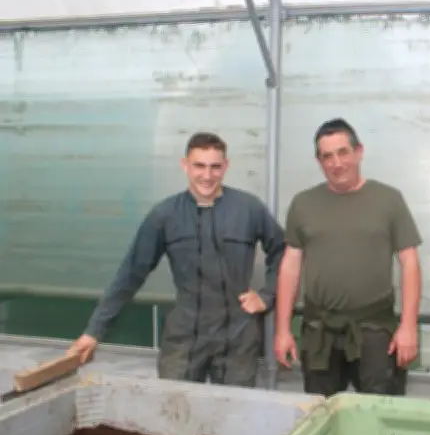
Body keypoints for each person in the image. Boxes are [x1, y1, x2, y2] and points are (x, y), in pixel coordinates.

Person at [67, 132, 286, 387]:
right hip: (184, 337)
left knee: (230, 415)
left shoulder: (248, 208)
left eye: (215, 167)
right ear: (185, 165)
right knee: (174, 411)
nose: (207, 175)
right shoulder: (165, 215)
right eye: (199, 166)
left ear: (225, 166)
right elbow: (130, 274)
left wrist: (267, 295)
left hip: (237, 336)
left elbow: (282, 250)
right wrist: (94, 331)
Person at [273, 118, 423, 397]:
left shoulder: (389, 200)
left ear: (359, 151)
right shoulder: (303, 204)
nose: (336, 163)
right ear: (319, 161)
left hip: (375, 331)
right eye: (327, 156)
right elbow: (290, 267)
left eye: (343, 152)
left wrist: (408, 327)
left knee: (379, 415)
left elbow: (410, 262)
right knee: (320, 415)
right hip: (320, 331)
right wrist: (282, 330)